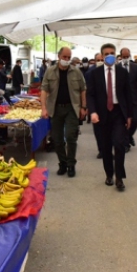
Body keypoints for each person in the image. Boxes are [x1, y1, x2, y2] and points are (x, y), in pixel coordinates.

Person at [87, 43, 133, 191]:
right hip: (101, 115)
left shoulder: (122, 72)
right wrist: (92, 112)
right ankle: (109, 174)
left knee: (119, 144)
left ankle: (119, 178)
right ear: (102, 55)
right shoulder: (95, 73)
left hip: (118, 113)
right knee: (106, 147)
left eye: (112, 53)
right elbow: (91, 95)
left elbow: (128, 94)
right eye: (106, 54)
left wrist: (129, 115)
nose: (109, 56)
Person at [41, 47, 87, 177]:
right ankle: (63, 163)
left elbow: (83, 89)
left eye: (68, 57)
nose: (66, 60)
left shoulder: (76, 72)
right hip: (55, 109)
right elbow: (44, 90)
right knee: (57, 139)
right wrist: (44, 108)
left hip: (72, 108)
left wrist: (83, 107)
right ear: (59, 56)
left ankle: (71, 164)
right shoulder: (50, 71)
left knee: (71, 136)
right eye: (64, 57)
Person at [120, 47, 137, 151]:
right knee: (123, 122)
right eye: (123, 57)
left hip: (134, 99)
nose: (125, 58)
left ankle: (129, 136)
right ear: (120, 57)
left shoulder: (135, 67)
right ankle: (125, 143)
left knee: (135, 120)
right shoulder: (117, 67)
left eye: (127, 56)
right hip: (122, 100)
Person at [85, 52, 104, 148]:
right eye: (98, 60)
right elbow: (88, 92)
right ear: (95, 61)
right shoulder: (90, 73)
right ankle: (101, 149)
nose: (100, 62)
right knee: (98, 129)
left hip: (109, 104)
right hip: (96, 105)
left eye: (102, 60)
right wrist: (88, 107)